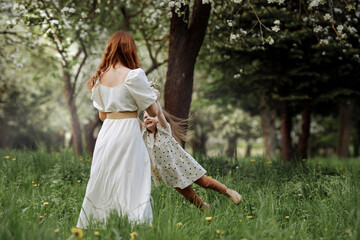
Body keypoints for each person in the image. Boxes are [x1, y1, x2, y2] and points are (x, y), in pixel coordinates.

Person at [77, 31, 159, 228]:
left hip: (107, 133)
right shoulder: (134, 75)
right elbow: (153, 110)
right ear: (130, 50)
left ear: (110, 50)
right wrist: (153, 94)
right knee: (132, 177)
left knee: (104, 176)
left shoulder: (99, 78)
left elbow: (103, 116)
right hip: (128, 133)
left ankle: (98, 222)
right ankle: (135, 223)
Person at [142, 101, 242, 212]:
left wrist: (154, 99)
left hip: (182, 164)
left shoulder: (163, 130)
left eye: (151, 115)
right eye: (145, 117)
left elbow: (159, 113)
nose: (147, 118)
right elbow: (133, 120)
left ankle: (228, 192)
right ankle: (204, 207)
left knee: (205, 182)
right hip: (169, 172)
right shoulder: (145, 136)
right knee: (188, 194)